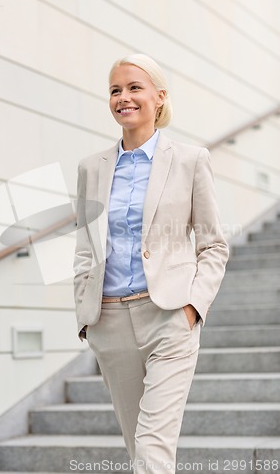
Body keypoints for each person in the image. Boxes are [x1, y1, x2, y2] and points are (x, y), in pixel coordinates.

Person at [73, 54, 229, 473]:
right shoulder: (92, 168)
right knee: (136, 447)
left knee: (152, 446)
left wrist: (194, 307)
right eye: (115, 90)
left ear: (159, 97)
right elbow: (86, 247)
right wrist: (85, 314)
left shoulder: (191, 160)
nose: (124, 97)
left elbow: (214, 245)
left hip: (169, 318)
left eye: (134, 87)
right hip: (109, 321)